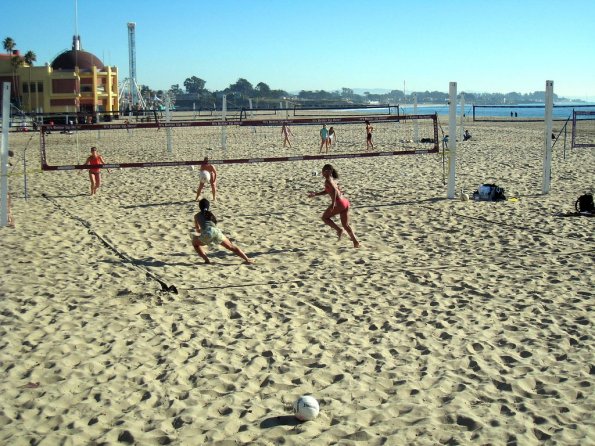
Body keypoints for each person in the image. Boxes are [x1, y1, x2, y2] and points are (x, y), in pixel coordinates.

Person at [308, 164, 360, 248]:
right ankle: (355, 242)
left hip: (339, 203)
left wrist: (333, 203)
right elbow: (327, 191)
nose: (326, 172)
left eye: (327, 171)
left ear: (328, 172)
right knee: (346, 225)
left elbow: (335, 191)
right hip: (345, 202)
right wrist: (315, 194)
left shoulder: (328, 180)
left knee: (325, 218)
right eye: (325, 171)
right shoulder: (332, 179)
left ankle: (339, 230)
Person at [192, 198, 254, 264]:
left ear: (199, 206)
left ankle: (207, 260)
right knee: (231, 247)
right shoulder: (210, 214)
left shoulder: (196, 216)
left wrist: (201, 232)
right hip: (216, 231)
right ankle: (247, 259)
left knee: (195, 244)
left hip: (207, 233)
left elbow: (197, 229)